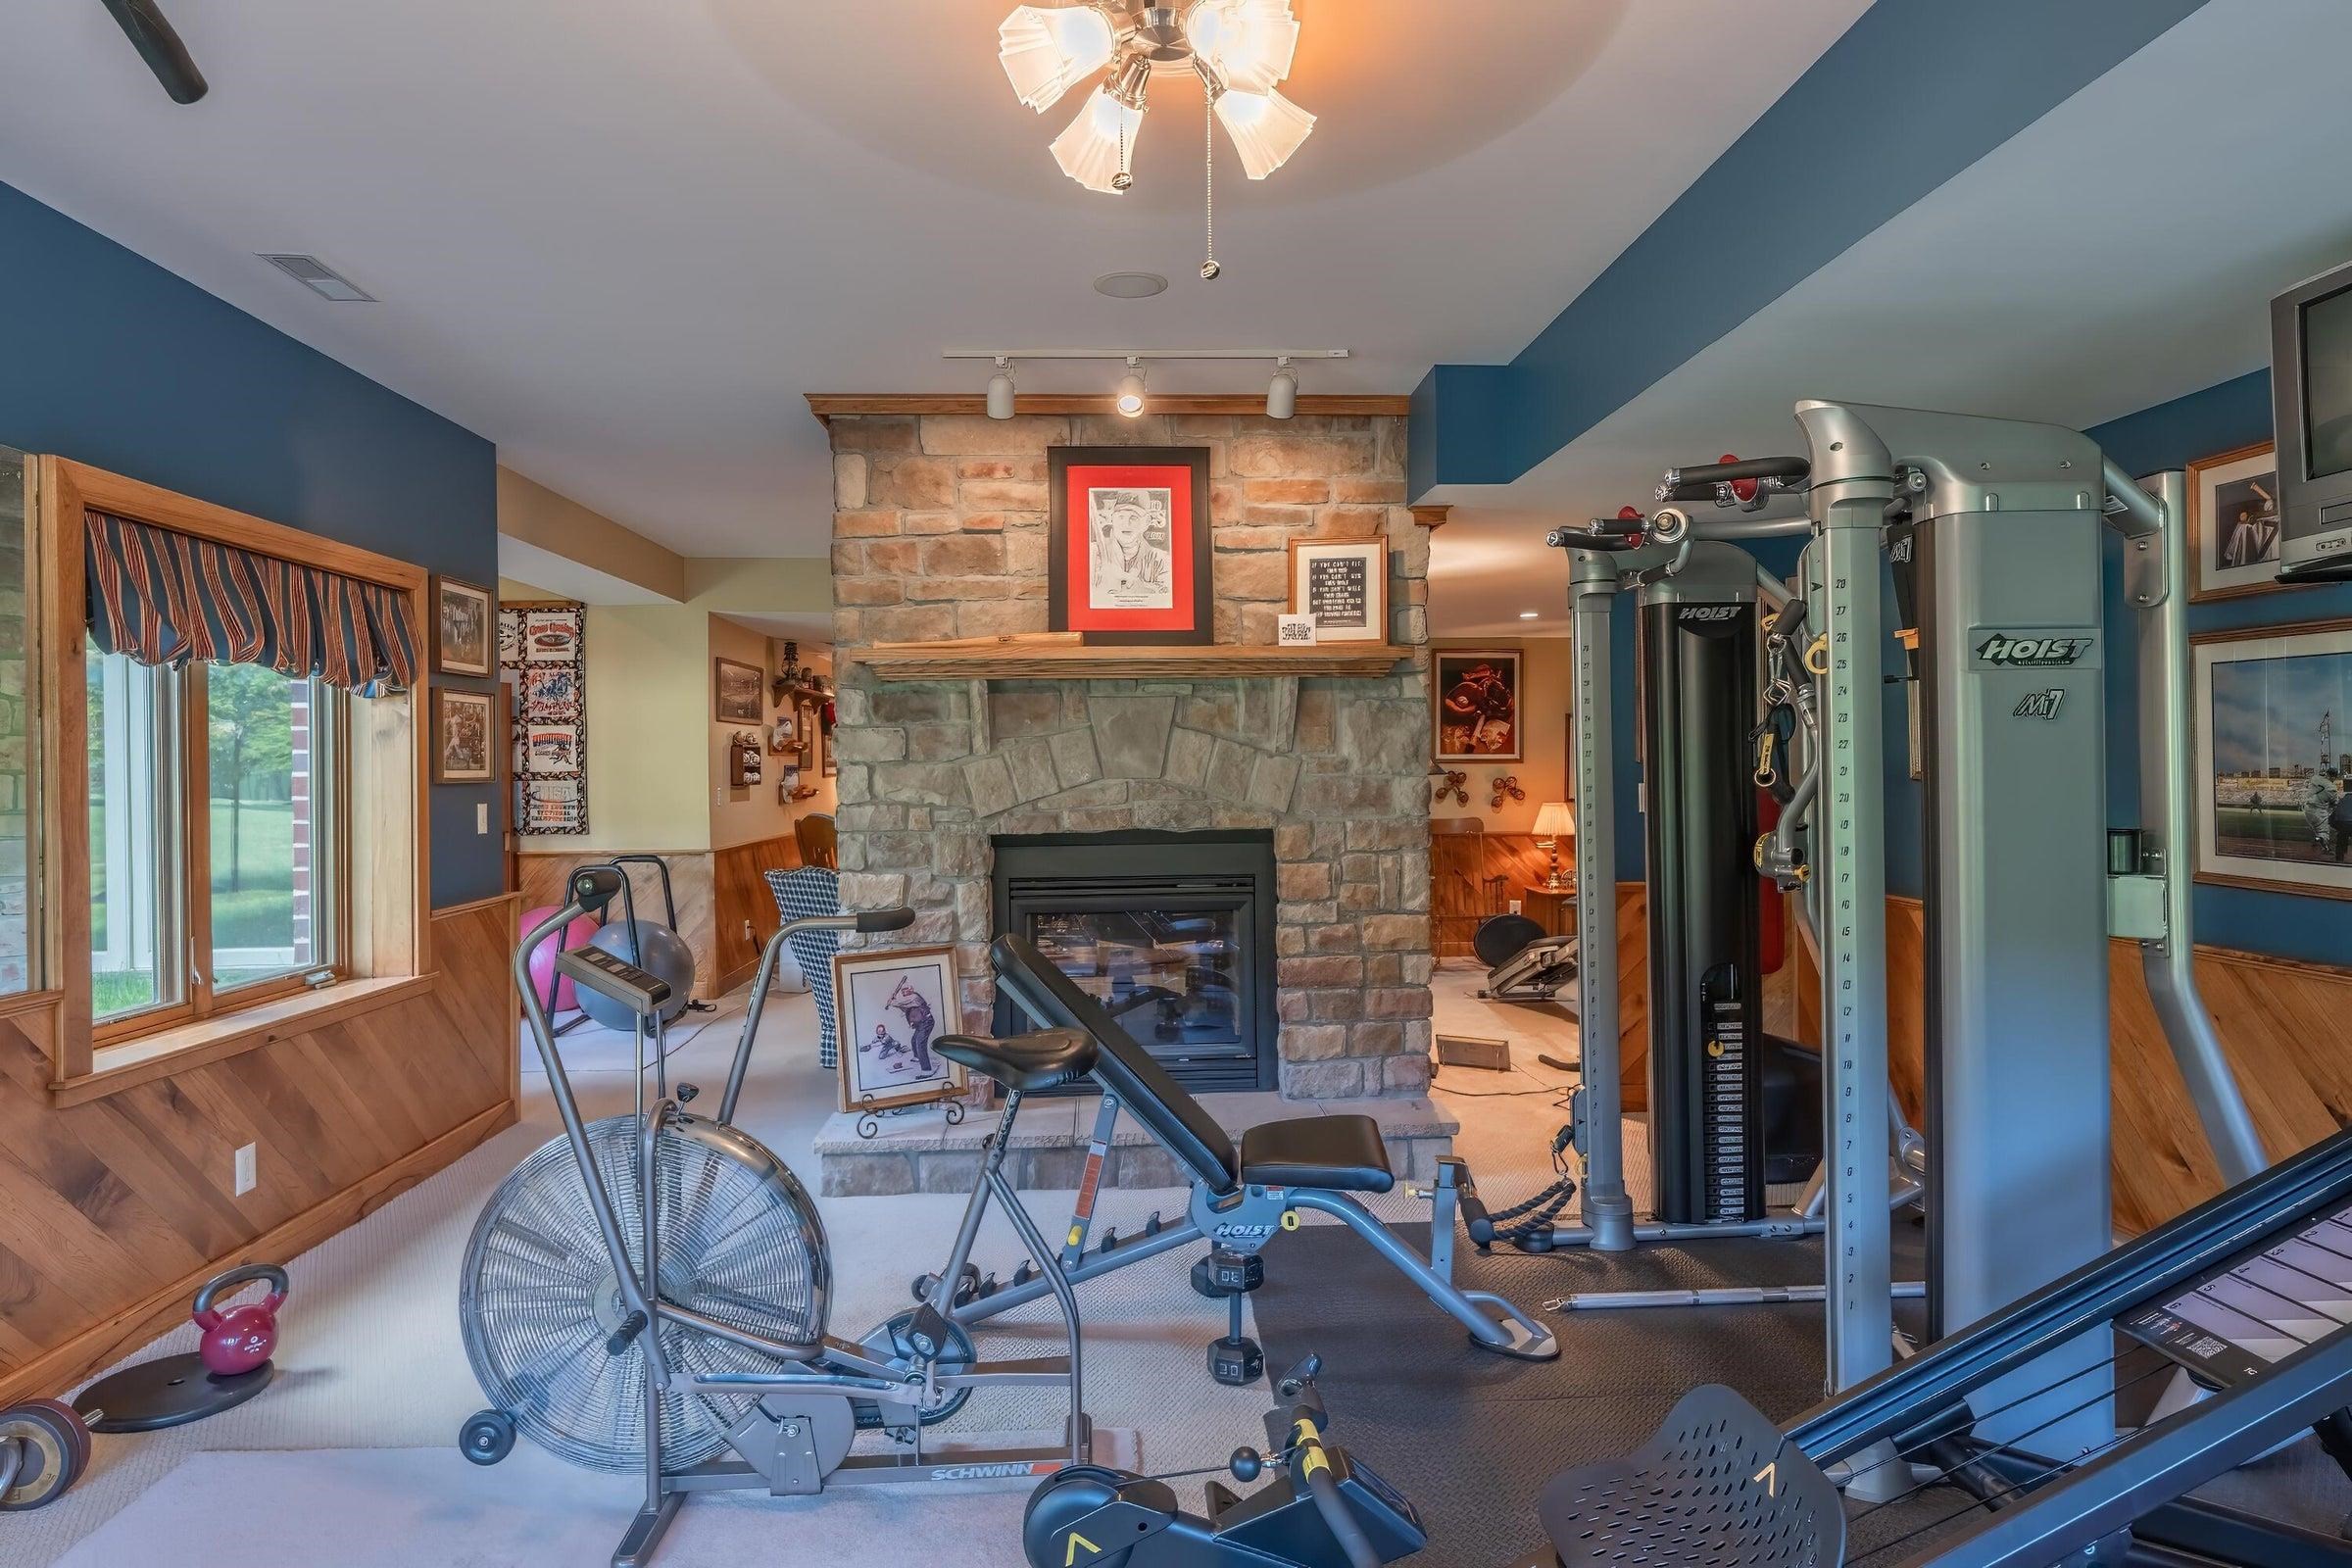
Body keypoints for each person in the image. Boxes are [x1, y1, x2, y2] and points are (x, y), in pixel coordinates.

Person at [885, 976, 937, 1074]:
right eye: (902, 990)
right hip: (921, 1024)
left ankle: (927, 1070)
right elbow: (905, 1008)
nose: (903, 992)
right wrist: (893, 1003)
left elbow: (901, 1003)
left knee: (920, 1044)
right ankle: (917, 1057)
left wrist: (892, 1002)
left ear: (911, 989)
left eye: (906, 989)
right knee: (914, 1040)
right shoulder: (910, 1001)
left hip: (926, 1022)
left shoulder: (914, 997)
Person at [2332, 776, 2352, 864]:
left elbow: (2333, 818)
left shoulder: (2342, 800)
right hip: (2347, 822)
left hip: (2342, 824)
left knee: (2341, 839)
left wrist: (2338, 828)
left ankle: (2339, 859)